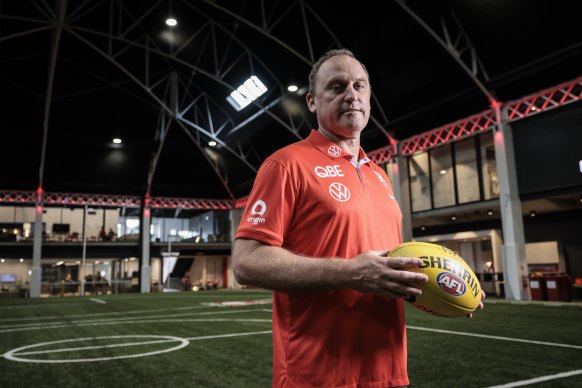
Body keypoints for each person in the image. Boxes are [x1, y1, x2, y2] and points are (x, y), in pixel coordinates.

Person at [232, 49, 484, 387]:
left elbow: (391, 267)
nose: (351, 94)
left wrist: (450, 285)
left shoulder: (379, 175)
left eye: (359, 86)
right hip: (317, 374)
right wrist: (351, 272)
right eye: (337, 86)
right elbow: (247, 263)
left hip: (389, 371)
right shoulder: (285, 165)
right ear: (311, 101)